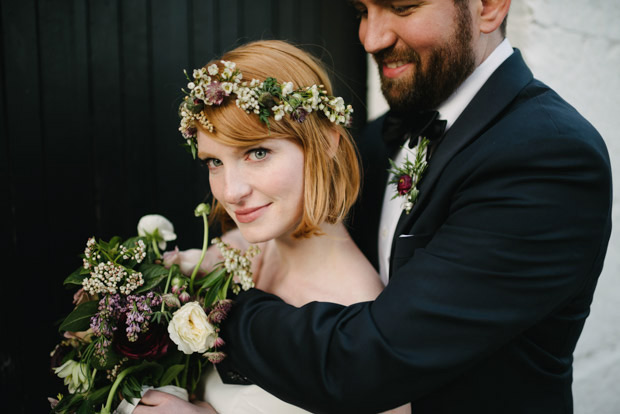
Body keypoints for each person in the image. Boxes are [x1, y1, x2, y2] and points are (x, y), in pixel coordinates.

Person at [211, 0, 613, 413]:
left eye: (402, 7)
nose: (371, 38)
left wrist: (215, 313)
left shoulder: (550, 157)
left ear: (489, 7)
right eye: (362, 12)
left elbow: (369, 359)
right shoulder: (373, 142)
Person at [134, 40, 410, 413]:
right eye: (214, 162)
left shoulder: (358, 323)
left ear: (326, 143)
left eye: (257, 152)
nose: (231, 192)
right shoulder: (232, 255)